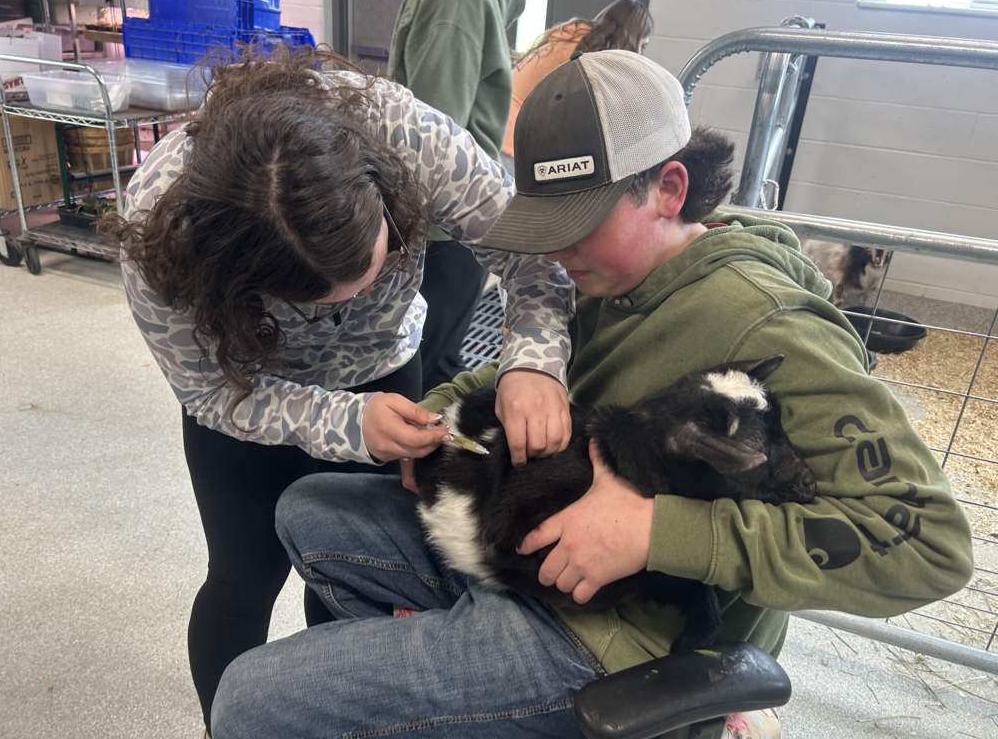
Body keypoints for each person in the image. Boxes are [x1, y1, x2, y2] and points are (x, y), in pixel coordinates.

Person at [209, 51, 973, 739]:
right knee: (307, 509)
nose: (557, 250)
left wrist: (655, 532)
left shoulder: (766, 320)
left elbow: (930, 547)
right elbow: (553, 370)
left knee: (247, 700)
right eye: (546, 223)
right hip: (541, 552)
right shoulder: (610, 274)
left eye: (580, 223)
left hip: (629, 627)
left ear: (668, 189)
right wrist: (445, 411)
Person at [101, 46, 574, 735]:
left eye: (369, 270)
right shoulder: (158, 226)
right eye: (321, 299)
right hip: (245, 388)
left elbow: (534, 259)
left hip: (385, 366)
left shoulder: (409, 134)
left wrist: (532, 362)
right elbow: (207, 395)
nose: (350, 301)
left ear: (381, 190)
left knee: (351, 570)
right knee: (242, 577)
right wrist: (347, 424)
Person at [387, 0, 528, 395]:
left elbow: (426, 143)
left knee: (425, 368)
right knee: (429, 360)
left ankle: (430, 462)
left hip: (438, 227)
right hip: (444, 221)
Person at [500, 0, 653, 172]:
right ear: (629, 40)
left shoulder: (574, 37)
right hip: (511, 136)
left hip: (500, 119)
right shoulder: (586, 56)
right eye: (641, 46)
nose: (639, 54)